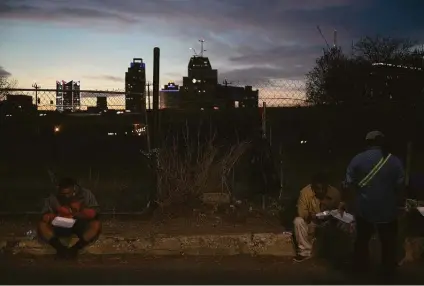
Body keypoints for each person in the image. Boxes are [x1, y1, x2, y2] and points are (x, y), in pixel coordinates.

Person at [341, 131, 404, 276]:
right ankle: (387, 271)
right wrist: (400, 204)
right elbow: (399, 185)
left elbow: (348, 183)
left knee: (362, 239)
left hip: (364, 207)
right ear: (381, 141)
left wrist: (348, 201)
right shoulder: (393, 160)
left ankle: (361, 269)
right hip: (387, 208)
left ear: (367, 142)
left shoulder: (357, 159)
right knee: (388, 241)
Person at [37, 177, 102, 259]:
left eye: (68, 193)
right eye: (63, 194)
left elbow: (95, 212)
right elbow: (44, 214)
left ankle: (75, 249)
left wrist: (79, 211)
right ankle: (60, 249)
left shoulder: (86, 194)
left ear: (74, 188)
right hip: (60, 224)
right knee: (42, 225)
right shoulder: (53, 197)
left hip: (79, 222)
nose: (66, 196)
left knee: (96, 224)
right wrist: (51, 216)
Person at [293, 172, 341, 262]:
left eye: (323, 188)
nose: (321, 191)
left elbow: (340, 212)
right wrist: (311, 215)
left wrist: (330, 216)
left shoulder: (335, 193)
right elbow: (301, 213)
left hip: (328, 224)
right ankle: (305, 252)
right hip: (311, 222)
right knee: (298, 221)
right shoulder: (305, 193)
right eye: (318, 188)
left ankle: (335, 252)